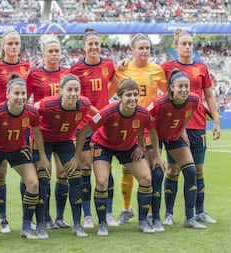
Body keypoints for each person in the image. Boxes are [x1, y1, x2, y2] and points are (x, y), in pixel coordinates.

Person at [66, 78, 165, 236]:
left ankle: (143, 222)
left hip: (127, 148)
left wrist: (149, 151)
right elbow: (84, 131)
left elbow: (151, 130)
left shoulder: (142, 112)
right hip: (103, 146)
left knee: (147, 178)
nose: (132, 98)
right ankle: (103, 224)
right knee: (101, 181)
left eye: (135, 95)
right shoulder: (108, 112)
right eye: (128, 95)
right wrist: (77, 157)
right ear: (120, 96)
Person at [160, 28, 221, 226]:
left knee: (199, 171)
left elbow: (209, 95)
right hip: (176, 127)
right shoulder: (167, 67)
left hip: (198, 126)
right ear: (175, 47)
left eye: (190, 44)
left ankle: (200, 211)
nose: (187, 47)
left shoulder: (201, 68)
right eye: (183, 44)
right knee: (172, 171)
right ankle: (169, 214)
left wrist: (217, 121)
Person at [109, 33, 168, 229]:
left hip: (148, 126)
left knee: (151, 168)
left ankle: (150, 212)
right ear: (132, 50)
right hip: (128, 126)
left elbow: (168, 94)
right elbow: (109, 93)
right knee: (127, 168)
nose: (144, 51)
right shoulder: (123, 70)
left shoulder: (157, 70)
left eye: (147, 48)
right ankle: (127, 209)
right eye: (140, 48)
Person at [0, 74, 50, 241]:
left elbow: (38, 133)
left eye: (23, 93)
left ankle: (26, 227)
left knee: (34, 183)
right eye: (16, 93)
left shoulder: (31, 112)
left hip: (16, 149)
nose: (20, 97)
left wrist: (42, 156)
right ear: (7, 94)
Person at [32, 74, 94, 237]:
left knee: (76, 177)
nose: (73, 93)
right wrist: (41, 155)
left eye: (76, 90)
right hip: (43, 141)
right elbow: (30, 113)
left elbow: (93, 120)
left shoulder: (84, 104)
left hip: (65, 141)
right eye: (70, 90)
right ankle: (40, 224)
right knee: (43, 178)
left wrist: (76, 157)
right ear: (61, 91)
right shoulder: (47, 104)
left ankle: (77, 224)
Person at [0, 29, 31, 233]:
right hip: (0, 124)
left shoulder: (27, 67)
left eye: (16, 43)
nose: (13, 47)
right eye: (10, 43)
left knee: (27, 173)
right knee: (0, 174)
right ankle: (2, 219)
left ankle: (28, 219)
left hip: (21, 124)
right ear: (3, 45)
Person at [69, 28, 117, 228]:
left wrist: (104, 109)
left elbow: (114, 85)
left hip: (103, 126)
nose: (94, 47)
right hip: (85, 126)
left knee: (107, 169)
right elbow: (76, 97)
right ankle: (88, 214)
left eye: (97, 44)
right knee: (85, 169)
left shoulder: (108, 64)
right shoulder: (75, 69)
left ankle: (109, 212)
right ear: (84, 47)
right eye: (90, 44)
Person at [148, 69, 206, 229]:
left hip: (173, 136)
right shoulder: (159, 103)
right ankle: (157, 219)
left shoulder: (194, 99)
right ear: (171, 87)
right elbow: (144, 122)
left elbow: (188, 114)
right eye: (180, 86)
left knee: (191, 171)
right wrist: (150, 150)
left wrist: (182, 130)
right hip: (154, 137)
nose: (184, 90)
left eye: (186, 86)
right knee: (158, 173)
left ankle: (190, 218)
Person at [27, 34, 70, 229]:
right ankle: (44, 218)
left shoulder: (67, 74)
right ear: (43, 54)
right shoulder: (34, 75)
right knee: (44, 174)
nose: (54, 54)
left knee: (64, 174)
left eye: (56, 51)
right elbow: (25, 100)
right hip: (42, 133)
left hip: (63, 133)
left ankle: (59, 217)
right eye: (50, 51)